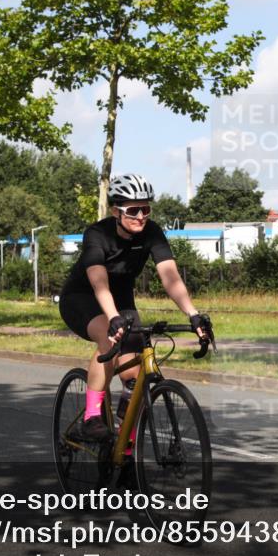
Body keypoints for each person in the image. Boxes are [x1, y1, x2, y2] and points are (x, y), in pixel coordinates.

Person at [59, 173, 212, 442]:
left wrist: (193, 314)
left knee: (135, 376)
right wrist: (113, 317)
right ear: (116, 211)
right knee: (108, 336)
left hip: (121, 301)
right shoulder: (97, 234)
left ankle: (125, 445)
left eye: (146, 209)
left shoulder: (152, 232)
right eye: (133, 210)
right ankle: (91, 418)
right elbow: (98, 281)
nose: (141, 216)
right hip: (82, 297)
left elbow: (170, 277)